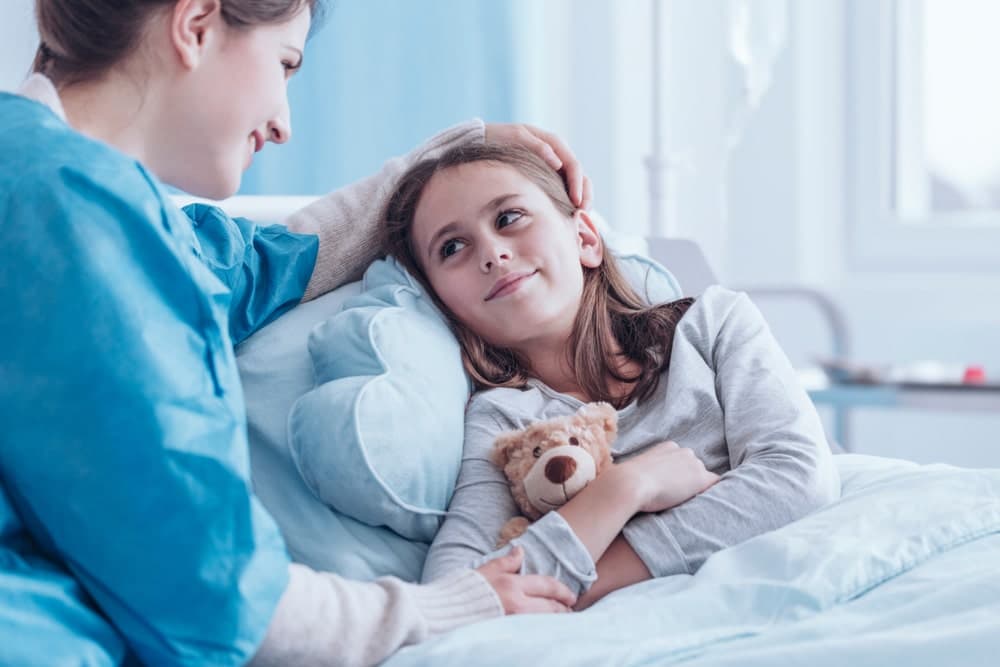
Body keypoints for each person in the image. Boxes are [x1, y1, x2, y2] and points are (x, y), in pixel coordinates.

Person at [0, 2, 588, 665]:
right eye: (285, 64)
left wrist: (452, 162)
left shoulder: (55, 181)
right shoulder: (77, 219)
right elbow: (212, 596)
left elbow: (257, 263)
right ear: (195, 25)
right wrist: (446, 606)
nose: (283, 125)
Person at [382, 143, 842, 611]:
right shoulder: (501, 421)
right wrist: (624, 487)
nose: (493, 254)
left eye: (509, 218)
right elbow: (458, 591)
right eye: (452, 247)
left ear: (585, 238)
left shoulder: (714, 326)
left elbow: (799, 479)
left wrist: (588, 581)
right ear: (443, 304)